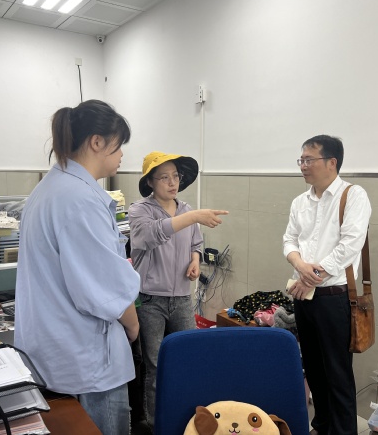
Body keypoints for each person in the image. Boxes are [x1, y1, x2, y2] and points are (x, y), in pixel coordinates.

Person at [14, 100, 140, 435]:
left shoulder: (49, 188)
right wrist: (132, 325)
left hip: (55, 351)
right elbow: (105, 289)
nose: (122, 155)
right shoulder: (80, 198)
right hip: (86, 360)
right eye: (119, 145)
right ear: (97, 142)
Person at [129, 151, 228, 429]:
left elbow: (195, 242)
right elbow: (150, 235)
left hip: (182, 298)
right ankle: (154, 423)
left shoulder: (185, 209)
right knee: (155, 364)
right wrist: (193, 216)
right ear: (150, 182)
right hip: (150, 299)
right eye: (164, 177)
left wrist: (195, 260)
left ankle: (187, 419)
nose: (172, 182)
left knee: (188, 356)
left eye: (176, 176)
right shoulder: (140, 210)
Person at [283, 135, 371, 435]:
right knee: (313, 368)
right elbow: (289, 240)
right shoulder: (300, 202)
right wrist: (300, 266)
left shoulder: (353, 196)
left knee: (337, 373)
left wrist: (310, 276)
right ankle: (321, 425)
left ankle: (343, 431)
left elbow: (349, 246)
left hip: (335, 298)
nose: (303, 166)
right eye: (301, 160)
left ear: (332, 162)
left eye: (309, 160)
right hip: (304, 297)